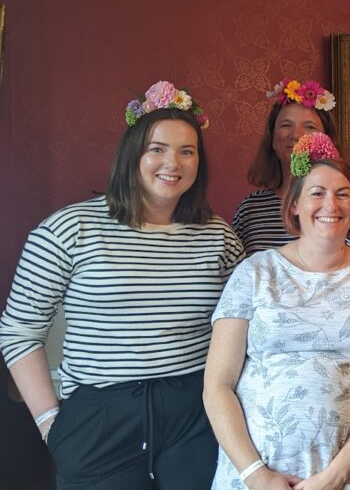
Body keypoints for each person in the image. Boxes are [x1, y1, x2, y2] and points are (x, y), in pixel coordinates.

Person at [0, 81, 243, 489]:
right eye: (157, 148)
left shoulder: (218, 236)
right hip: (99, 417)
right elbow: (19, 331)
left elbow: (243, 326)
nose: (174, 162)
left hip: (195, 416)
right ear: (132, 153)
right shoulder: (68, 229)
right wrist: (49, 422)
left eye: (188, 151)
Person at [205, 132, 350, 489]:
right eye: (317, 193)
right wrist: (256, 475)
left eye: (343, 194)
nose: (332, 204)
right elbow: (217, 385)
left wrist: (336, 476)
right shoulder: (254, 272)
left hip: (346, 472)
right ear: (294, 204)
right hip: (252, 472)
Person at [232, 78, 350, 258]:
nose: (296, 135)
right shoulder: (250, 210)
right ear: (273, 141)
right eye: (286, 125)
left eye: (309, 126)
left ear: (326, 139)